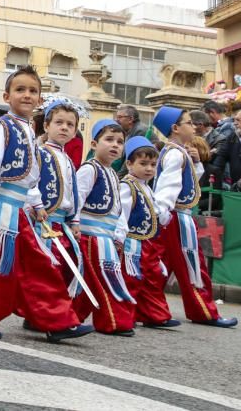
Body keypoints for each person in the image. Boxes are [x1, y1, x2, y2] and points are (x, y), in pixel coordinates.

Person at [0, 67, 93, 343]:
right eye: (20, 90)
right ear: (7, 95)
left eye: (32, 91)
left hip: (19, 212)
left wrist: (37, 203)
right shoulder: (1, 127)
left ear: (40, 99)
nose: (26, 95)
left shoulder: (28, 130)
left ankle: (58, 320)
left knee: (40, 266)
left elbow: (30, 175)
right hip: (0, 211)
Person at [140, 106, 237, 329]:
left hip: (172, 217)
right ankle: (204, 311)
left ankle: (148, 309)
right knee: (194, 265)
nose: (193, 127)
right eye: (188, 123)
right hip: (177, 218)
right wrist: (161, 214)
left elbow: (187, 180)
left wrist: (195, 163)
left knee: (160, 266)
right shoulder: (175, 153)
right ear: (175, 128)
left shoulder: (176, 151)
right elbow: (168, 187)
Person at [21, 98, 83, 328]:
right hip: (42, 222)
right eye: (59, 123)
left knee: (66, 267)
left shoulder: (68, 160)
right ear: (46, 126)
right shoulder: (39, 153)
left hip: (61, 225)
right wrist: (35, 206)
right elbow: (30, 182)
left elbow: (73, 193)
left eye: (70, 124)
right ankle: (47, 317)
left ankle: (42, 315)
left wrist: (74, 221)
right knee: (47, 270)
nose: (64, 128)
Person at [71, 119, 136, 336]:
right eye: (109, 140)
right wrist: (75, 222)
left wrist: (120, 232)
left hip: (106, 238)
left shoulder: (112, 174)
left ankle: (72, 316)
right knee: (104, 281)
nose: (115, 145)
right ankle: (113, 322)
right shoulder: (89, 170)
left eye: (120, 141)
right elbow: (77, 197)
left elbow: (117, 209)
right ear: (93, 144)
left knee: (93, 282)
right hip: (90, 237)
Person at [117, 138, 162, 332]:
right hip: (131, 243)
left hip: (146, 242)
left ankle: (148, 314)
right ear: (129, 164)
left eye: (153, 165)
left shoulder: (146, 187)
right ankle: (124, 317)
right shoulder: (127, 186)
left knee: (148, 279)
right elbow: (122, 214)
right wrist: (120, 237)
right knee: (130, 279)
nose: (149, 169)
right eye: (143, 164)